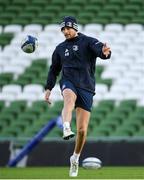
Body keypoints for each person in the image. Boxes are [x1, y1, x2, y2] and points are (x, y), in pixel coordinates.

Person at [44, 16, 111, 177]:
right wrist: (48, 88)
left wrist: (105, 53)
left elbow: (101, 51)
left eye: (67, 28)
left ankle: (75, 158)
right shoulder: (59, 48)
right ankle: (66, 127)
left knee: (82, 131)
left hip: (87, 87)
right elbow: (54, 70)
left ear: (75, 28)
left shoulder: (88, 41)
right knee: (68, 99)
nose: (65, 31)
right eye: (63, 29)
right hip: (68, 81)